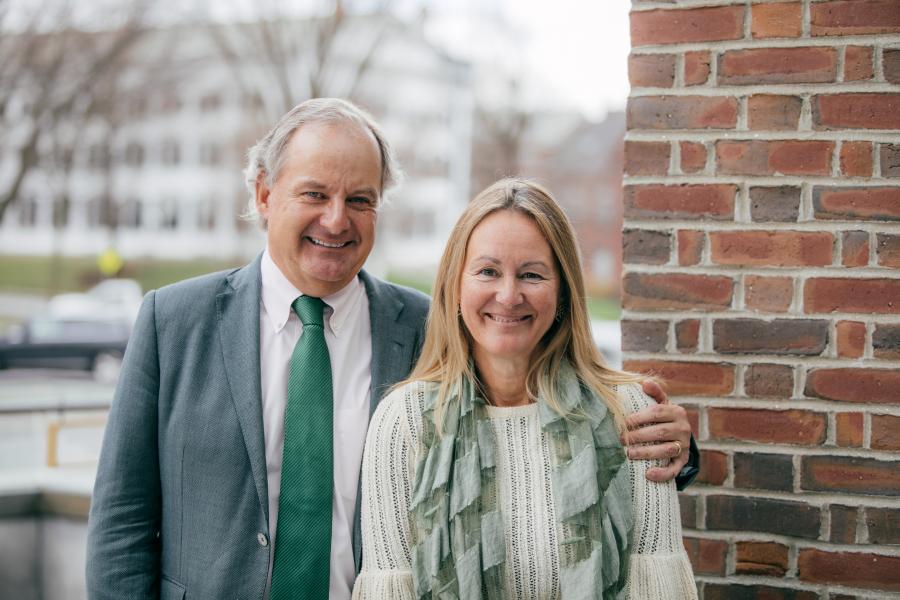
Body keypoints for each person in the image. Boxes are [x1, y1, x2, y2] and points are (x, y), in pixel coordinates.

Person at [86, 99, 695, 600]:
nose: (336, 219)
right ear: (265, 194)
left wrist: (669, 446)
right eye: (314, 194)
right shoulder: (174, 322)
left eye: (359, 199)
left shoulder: (433, 328)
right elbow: (122, 520)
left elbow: (534, 433)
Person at [352, 179, 697, 599]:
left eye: (531, 274)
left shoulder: (627, 411)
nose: (508, 295)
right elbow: (389, 590)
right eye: (488, 271)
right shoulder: (404, 420)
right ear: (455, 287)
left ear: (563, 291)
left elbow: (659, 588)